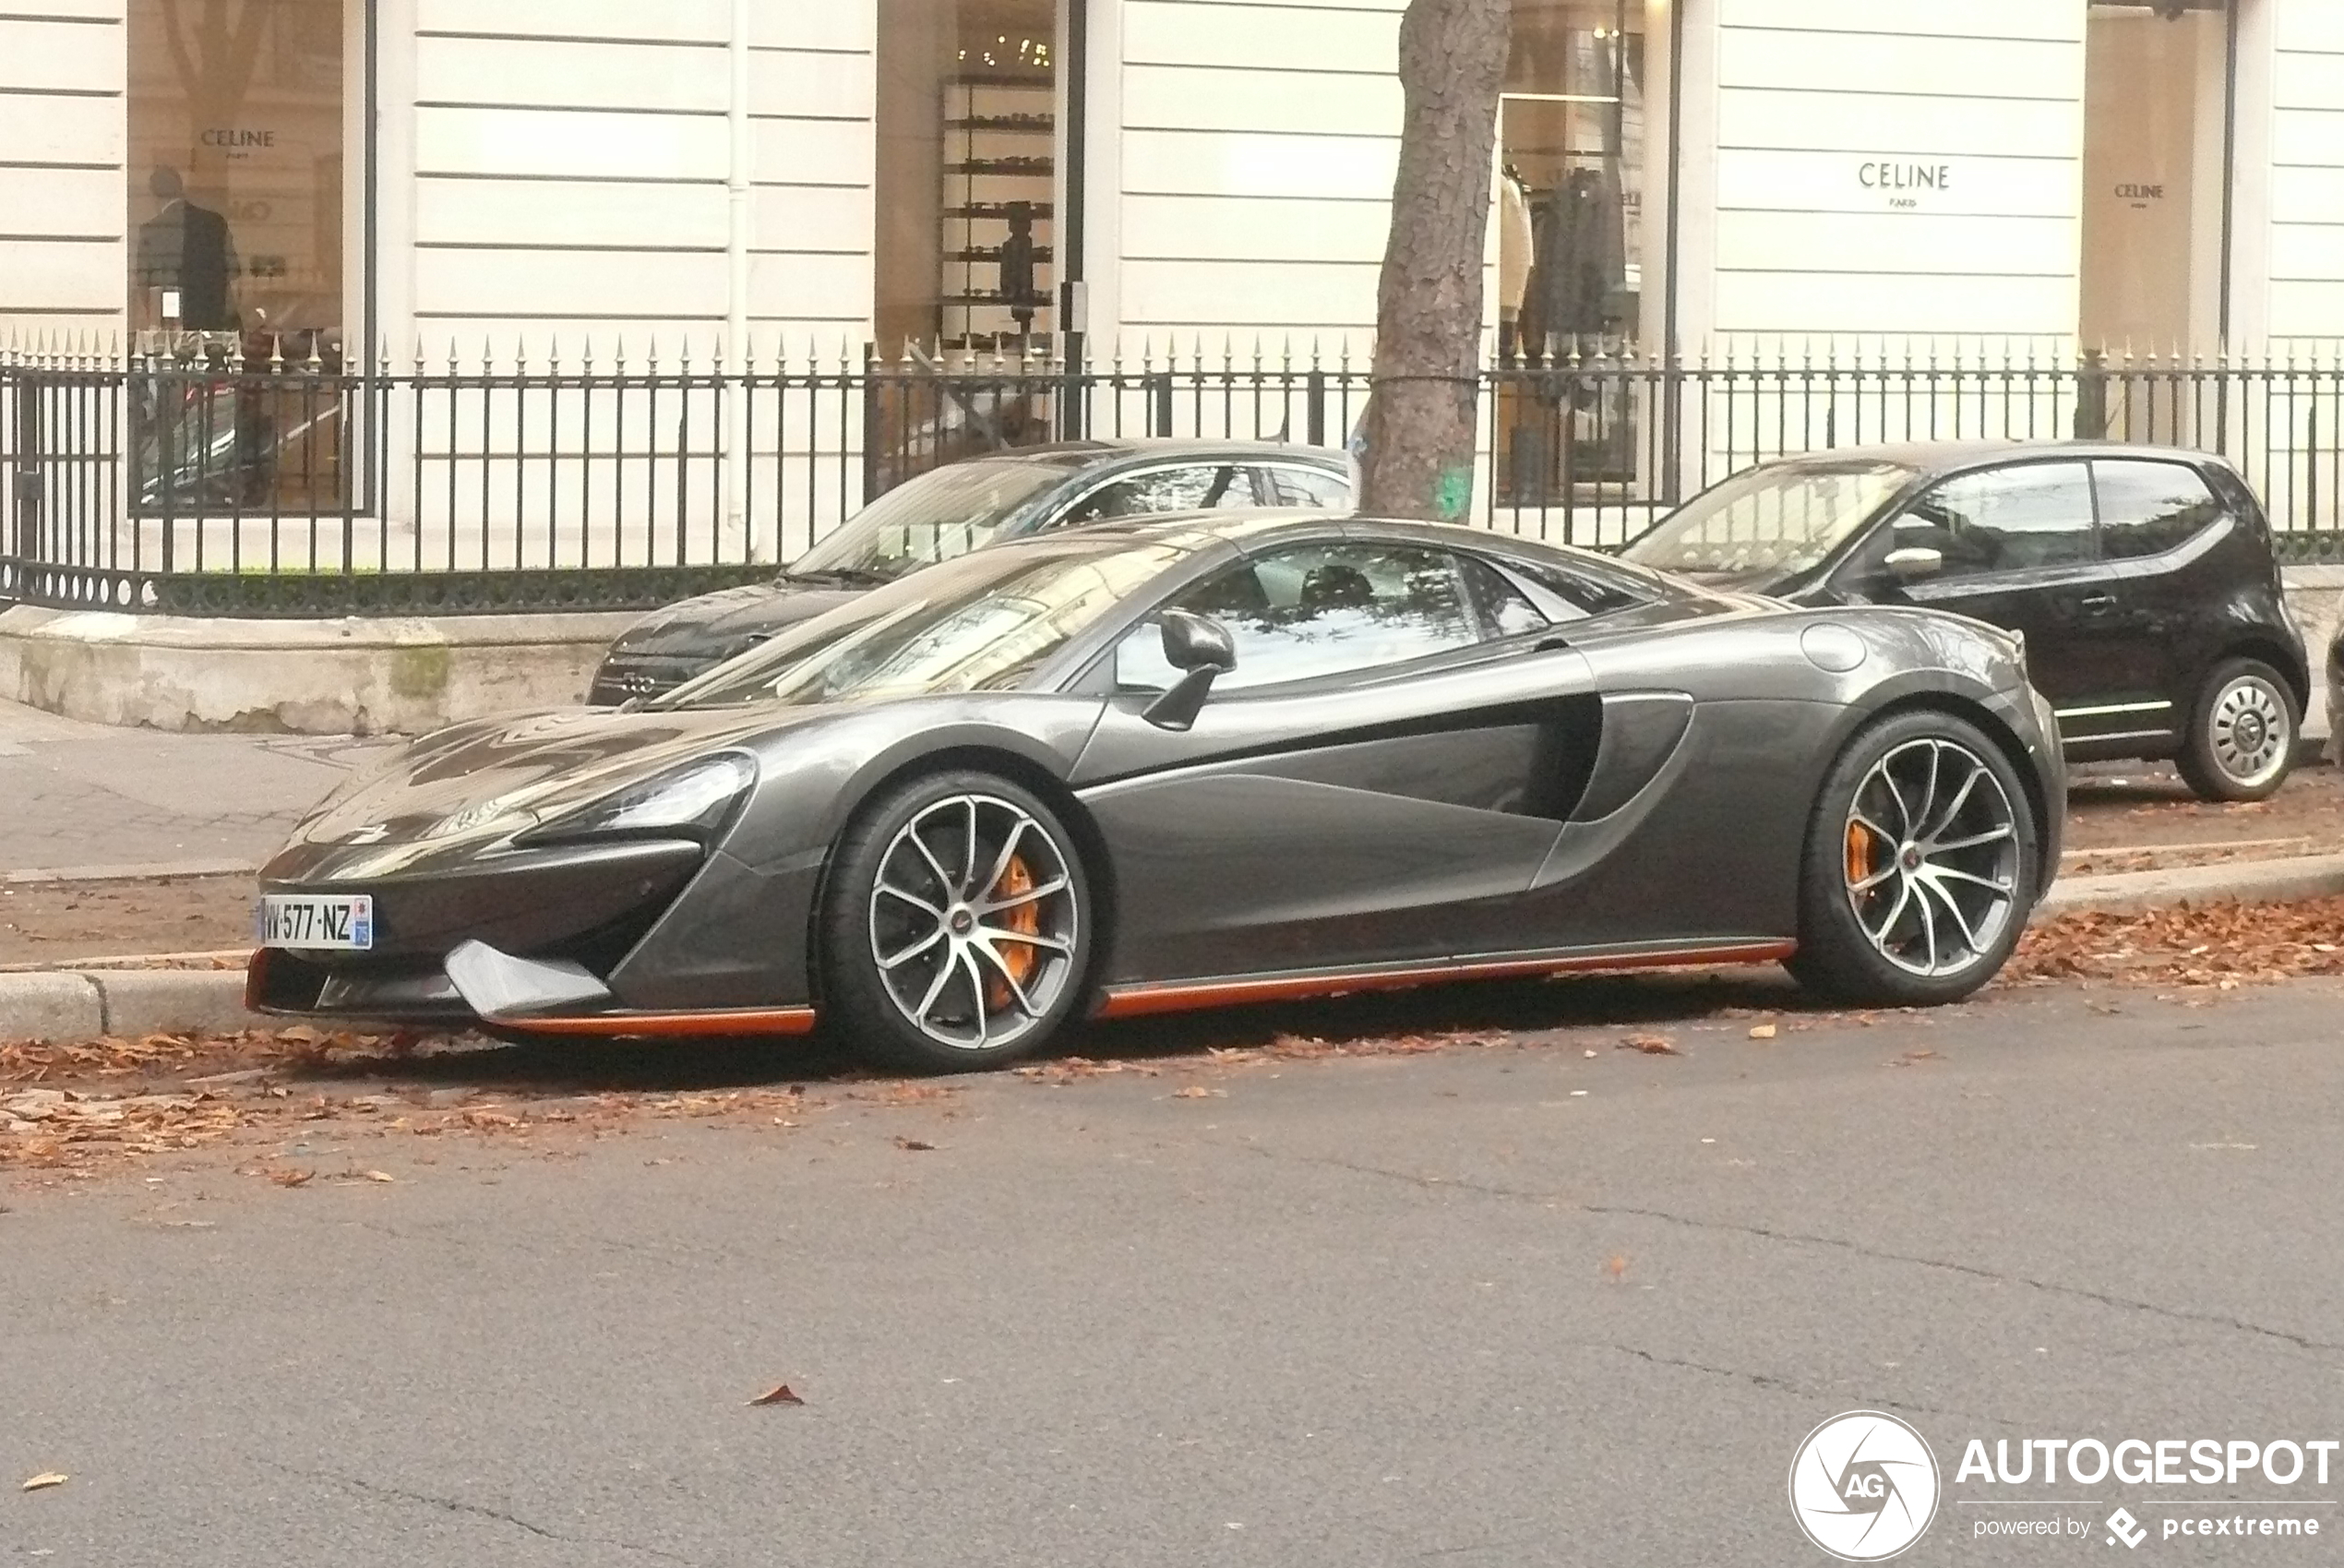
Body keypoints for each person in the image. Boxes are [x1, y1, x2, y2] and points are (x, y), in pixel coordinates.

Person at [135, 167, 240, 331]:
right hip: (214, 317)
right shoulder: (215, 222)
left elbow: (143, 285)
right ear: (181, 188)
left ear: (153, 194)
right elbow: (234, 271)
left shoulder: (151, 230)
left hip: (171, 320)